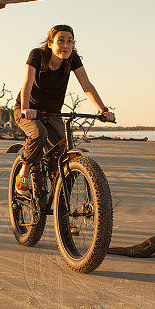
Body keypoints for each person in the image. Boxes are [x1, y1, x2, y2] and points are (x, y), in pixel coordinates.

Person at [14, 24, 116, 194]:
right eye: (61, 40)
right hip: (29, 110)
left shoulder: (72, 59)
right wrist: (26, 108)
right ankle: (24, 168)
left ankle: (58, 197)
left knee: (63, 152)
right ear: (50, 42)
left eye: (70, 41)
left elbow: (86, 85)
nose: (66, 45)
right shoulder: (37, 55)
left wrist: (103, 109)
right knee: (39, 134)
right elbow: (27, 82)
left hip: (53, 113)